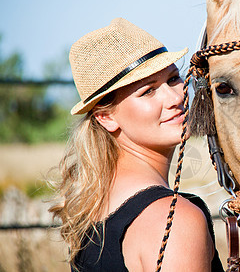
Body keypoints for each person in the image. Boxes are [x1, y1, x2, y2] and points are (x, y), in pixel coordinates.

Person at [49, 18, 223, 271]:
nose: (177, 97)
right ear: (105, 117)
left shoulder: (95, 208)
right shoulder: (174, 220)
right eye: (148, 91)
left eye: (174, 79)